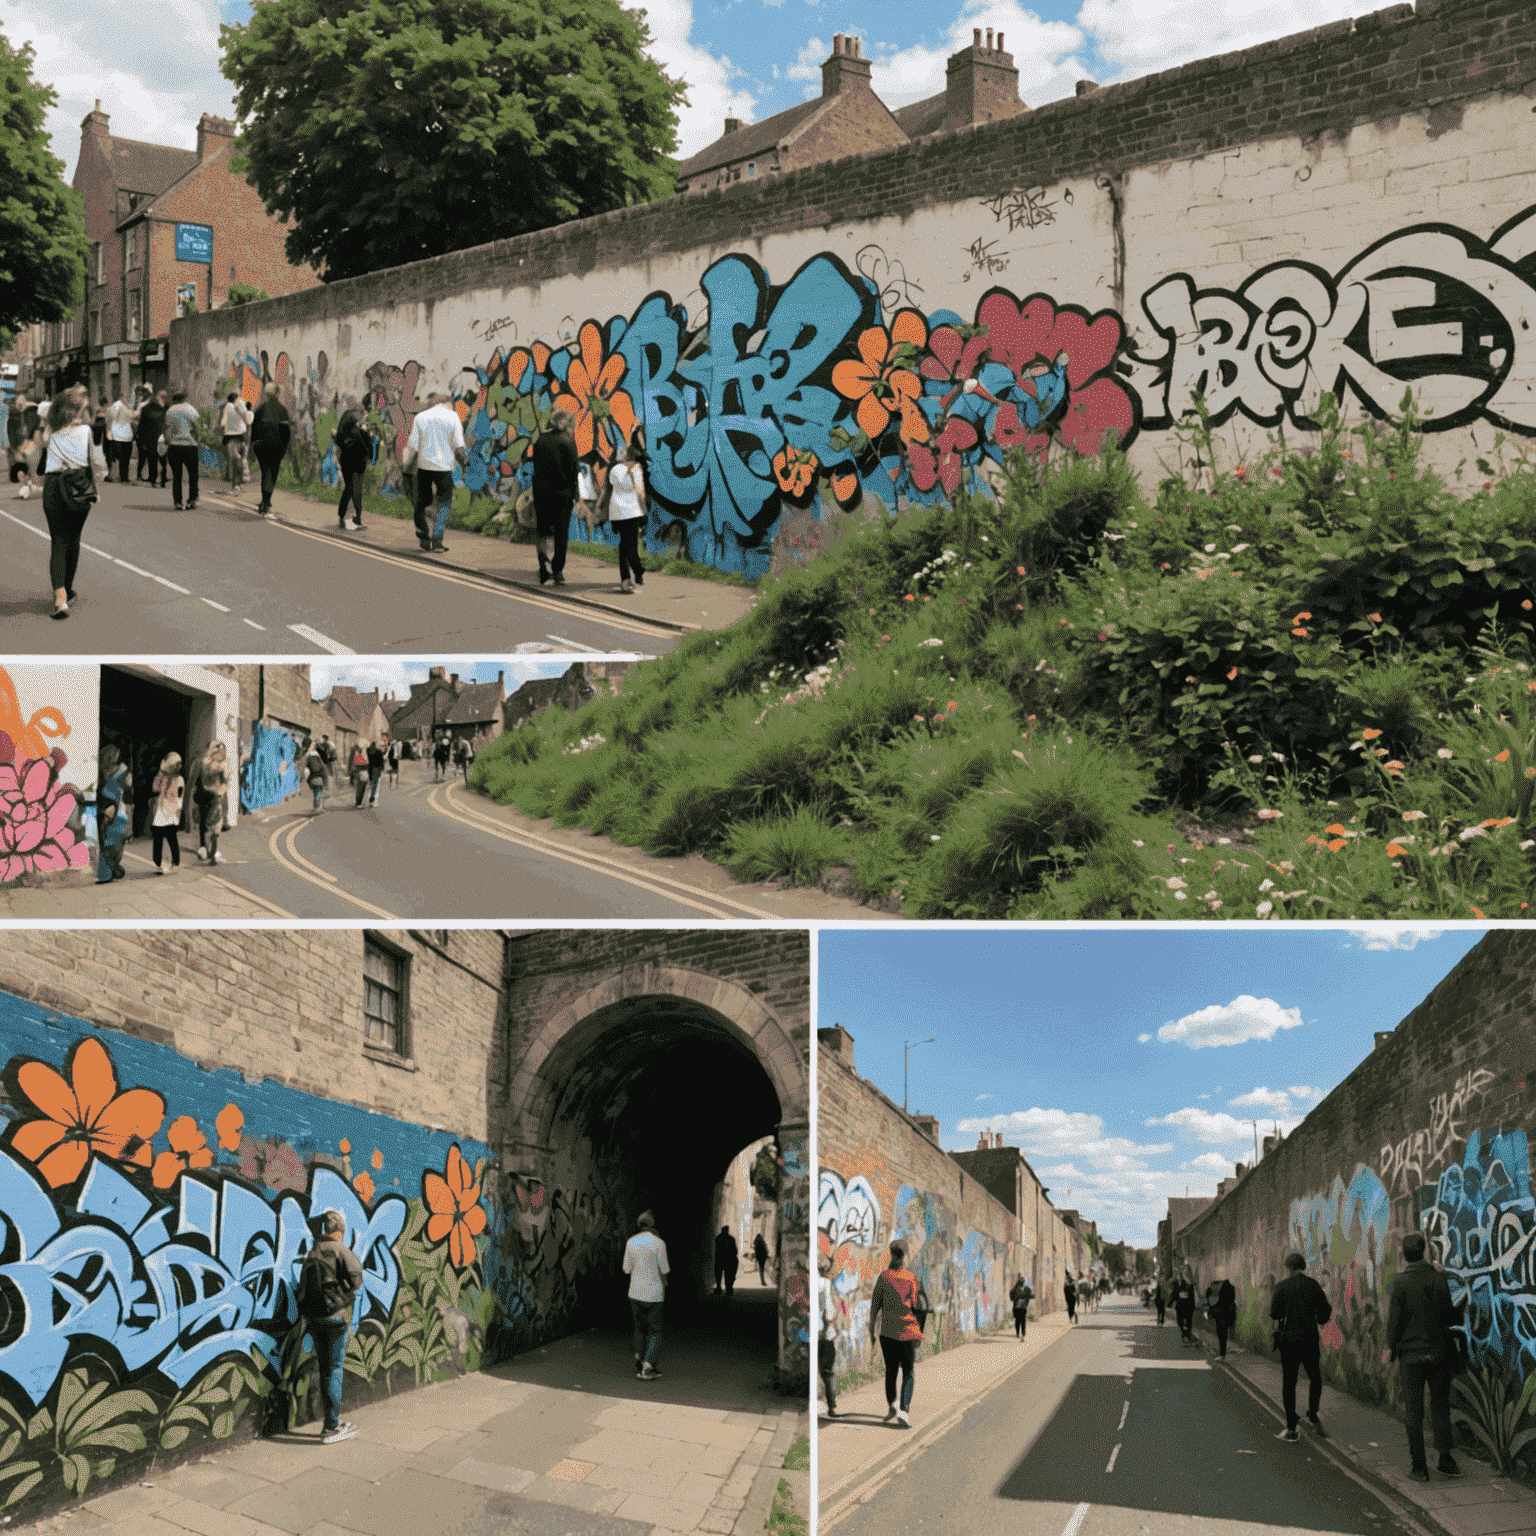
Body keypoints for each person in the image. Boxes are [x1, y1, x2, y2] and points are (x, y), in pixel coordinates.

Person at [1388, 1231, 1463, 1482]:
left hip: (1411, 1356)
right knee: (1440, 1407)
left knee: (1414, 1411)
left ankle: (1419, 1467)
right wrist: (1440, 1275)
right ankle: (1446, 1460)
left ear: (1405, 1255)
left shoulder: (1400, 1283)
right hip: (1439, 1352)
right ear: (1423, 1251)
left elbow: (1395, 1323)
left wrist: (1392, 1349)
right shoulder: (1437, 1277)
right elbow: (1449, 1316)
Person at [39, 391, 106, 620]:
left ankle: (60, 599)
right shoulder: (85, 430)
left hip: (53, 487)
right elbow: (94, 463)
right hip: (78, 487)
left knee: (58, 541)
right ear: (77, 410)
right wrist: (95, 490)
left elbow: (44, 436)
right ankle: (68, 588)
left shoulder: (50, 432)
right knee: (74, 538)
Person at [298, 1209, 363, 1444]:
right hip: (335, 1318)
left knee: (325, 1369)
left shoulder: (312, 1252)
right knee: (334, 1369)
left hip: (314, 1320)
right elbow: (357, 1279)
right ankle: (331, 1427)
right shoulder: (340, 1249)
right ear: (339, 1231)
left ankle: (331, 1421)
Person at [1270, 1251, 1333, 1442]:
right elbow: (1325, 1310)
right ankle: (1312, 1413)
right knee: (1315, 1377)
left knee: (1289, 1382)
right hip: (1309, 1339)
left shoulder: (1282, 1286)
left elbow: (1274, 1313)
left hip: (1289, 1340)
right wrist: (1319, 1319)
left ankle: (1291, 1427)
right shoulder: (1312, 1285)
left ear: (1288, 1267)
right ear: (1303, 1266)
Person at [404, 389, 466, 551]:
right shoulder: (452, 417)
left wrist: (407, 468)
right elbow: (459, 449)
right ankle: (437, 539)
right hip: (444, 468)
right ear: (446, 403)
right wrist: (464, 466)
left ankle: (423, 531)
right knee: (445, 502)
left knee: (423, 502)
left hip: (424, 467)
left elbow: (414, 448)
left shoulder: (421, 417)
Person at [869, 1240, 922, 1428]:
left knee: (891, 1370)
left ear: (891, 1255)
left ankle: (892, 1404)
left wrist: (871, 1331)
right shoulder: (911, 1279)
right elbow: (915, 1306)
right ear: (905, 1257)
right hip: (907, 1332)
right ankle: (904, 1410)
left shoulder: (883, 1277)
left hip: (887, 1333)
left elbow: (875, 1306)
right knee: (908, 1371)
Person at [531, 408, 578, 584]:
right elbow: (574, 471)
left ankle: (543, 568)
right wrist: (575, 495)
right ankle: (558, 571)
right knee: (561, 534)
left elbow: (536, 467)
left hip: (542, 494)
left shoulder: (541, 440)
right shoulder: (568, 442)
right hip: (563, 495)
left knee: (543, 532)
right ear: (563, 423)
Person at [623, 1210, 668, 1381]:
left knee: (639, 1328)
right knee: (655, 1331)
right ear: (652, 1225)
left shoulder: (631, 1242)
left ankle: (638, 1357)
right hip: (654, 1294)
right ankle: (648, 1365)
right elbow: (664, 1269)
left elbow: (626, 1269)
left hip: (635, 1292)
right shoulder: (659, 1243)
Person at [600, 440, 648, 593]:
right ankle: (638, 570)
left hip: (617, 511)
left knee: (623, 545)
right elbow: (640, 493)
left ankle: (625, 579)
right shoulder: (636, 469)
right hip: (632, 511)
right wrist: (644, 510)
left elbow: (611, 486)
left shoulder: (614, 469)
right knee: (631, 545)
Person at [251, 383, 291, 516]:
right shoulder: (282, 410)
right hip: (276, 446)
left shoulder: (260, 409)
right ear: (278, 393)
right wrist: (285, 448)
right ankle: (266, 500)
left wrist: (254, 445)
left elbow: (254, 430)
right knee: (272, 472)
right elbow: (286, 432)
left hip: (261, 446)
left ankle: (265, 500)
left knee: (265, 472)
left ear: (266, 394)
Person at [333, 405, 374, 531]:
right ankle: (349, 517)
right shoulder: (359, 426)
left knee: (351, 488)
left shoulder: (344, 427)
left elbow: (340, 441)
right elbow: (366, 444)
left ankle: (352, 518)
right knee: (354, 489)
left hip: (347, 460)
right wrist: (366, 431)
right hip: (358, 461)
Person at [95, 744, 131, 884]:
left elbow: (127, 795)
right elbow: (128, 795)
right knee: (112, 841)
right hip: (114, 810)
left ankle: (109, 871)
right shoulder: (121, 771)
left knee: (110, 841)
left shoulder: (107, 771)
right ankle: (110, 870)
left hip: (111, 810)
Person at [191, 741, 230, 864]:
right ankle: (207, 852)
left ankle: (208, 851)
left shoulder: (221, 764)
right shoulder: (200, 762)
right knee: (205, 826)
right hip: (203, 797)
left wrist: (222, 790)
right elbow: (193, 780)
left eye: (221, 748)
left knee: (212, 828)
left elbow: (225, 782)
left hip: (215, 798)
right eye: (216, 748)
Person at [163, 389, 202, 510]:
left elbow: (166, 428)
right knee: (193, 475)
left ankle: (178, 502)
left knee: (177, 476)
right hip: (189, 445)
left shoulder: (170, 411)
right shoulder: (190, 409)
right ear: (185, 398)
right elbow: (196, 426)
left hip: (174, 446)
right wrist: (196, 437)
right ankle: (191, 501)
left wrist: (168, 440)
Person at [148, 752, 184, 873]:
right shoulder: (161, 777)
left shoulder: (179, 779)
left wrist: (178, 813)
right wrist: (160, 773)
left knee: (172, 839)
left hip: (172, 812)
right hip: (160, 811)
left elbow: (179, 797)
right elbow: (154, 788)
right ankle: (158, 864)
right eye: (172, 764)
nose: (174, 767)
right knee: (158, 839)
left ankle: (176, 862)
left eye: (176, 764)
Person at [138, 390, 169, 488]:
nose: (163, 398)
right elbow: (142, 425)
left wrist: (141, 439)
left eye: (164, 396)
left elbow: (141, 425)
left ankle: (155, 479)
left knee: (155, 459)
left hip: (154, 438)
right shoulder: (165, 409)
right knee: (160, 459)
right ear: (157, 397)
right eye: (162, 396)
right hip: (159, 437)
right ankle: (158, 479)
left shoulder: (147, 408)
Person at [220, 392, 250, 492]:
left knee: (234, 461)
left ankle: (235, 484)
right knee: (239, 461)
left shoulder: (227, 407)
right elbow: (247, 420)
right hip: (240, 436)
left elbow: (222, 423)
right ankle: (238, 484)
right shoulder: (235, 407)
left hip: (230, 437)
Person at [105, 390, 134, 482]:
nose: (128, 399)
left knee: (125, 458)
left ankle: (124, 477)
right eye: (126, 397)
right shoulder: (117, 405)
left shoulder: (125, 406)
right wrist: (109, 432)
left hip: (126, 437)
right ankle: (118, 476)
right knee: (120, 458)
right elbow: (109, 419)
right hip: (118, 437)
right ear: (122, 397)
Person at [1213, 1277, 1237, 1359]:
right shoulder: (1230, 1287)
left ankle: (1222, 1354)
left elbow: (1219, 1302)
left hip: (1222, 1315)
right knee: (1222, 1334)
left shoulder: (1223, 1288)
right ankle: (1222, 1353)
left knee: (1222, 1334)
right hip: (1225, 1314)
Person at [819, 1326, 839, 1419]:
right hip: (826, 1341)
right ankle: (831, 1408)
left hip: (822, 1341)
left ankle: (831, 1407)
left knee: (827, 1375)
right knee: (828, 1375)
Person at [714, 1225, 739, 1299]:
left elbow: (717, 1249)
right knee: (728, 1275)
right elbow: (735, 1250)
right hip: (728, 1260)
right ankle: (728, 1289)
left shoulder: (718, 1238)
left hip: (719, 1259)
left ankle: (719, 1288)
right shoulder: (731, 1239)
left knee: (719, 1275)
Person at [304, 740, 329, 812]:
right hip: (318, 778)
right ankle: (318, 807)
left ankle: (316, 807)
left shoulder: (307, 758)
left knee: (316, 793)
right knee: (318, 793)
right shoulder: (317, 760)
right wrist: (325, 781)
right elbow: (322, 770)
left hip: (311, 778)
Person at [1174, 1274, 1196, 1342]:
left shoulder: (1179, 1288)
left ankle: (1185, 1334)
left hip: (1182, 1308)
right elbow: (1192, 1298)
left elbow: (1175, 1296)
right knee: (1188, 1322)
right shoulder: (1189, 1287)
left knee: (1181, 1322)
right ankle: (1187, 1334)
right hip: (1187, 1308)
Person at [1010, 1275, 1033, 1340]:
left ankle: (1017, 1333)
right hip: (1023, 1307)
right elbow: (1030, 1295)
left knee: (1017, 1320)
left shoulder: (1014, 1289)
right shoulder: (1027, 1289)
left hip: (1016, 1307)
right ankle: (1023, 1334)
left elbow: (1011, 1297)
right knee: (1023, 1320)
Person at [365, 739, 386, 806]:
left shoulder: (367, 750)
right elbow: (381, 761)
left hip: (369, 768)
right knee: (374, 784)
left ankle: (367, 798)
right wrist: (382, 768)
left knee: (369, 783)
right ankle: (372, 798)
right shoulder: (378, 751)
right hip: (376, 769)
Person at [349, 742, 369, 806]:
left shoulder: (358, 752)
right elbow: (360, 763)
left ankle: (358, 802)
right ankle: (358, 803)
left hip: (360, 771)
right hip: (361, 771)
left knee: (361, 788)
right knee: (361, 788)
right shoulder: (359, 752)